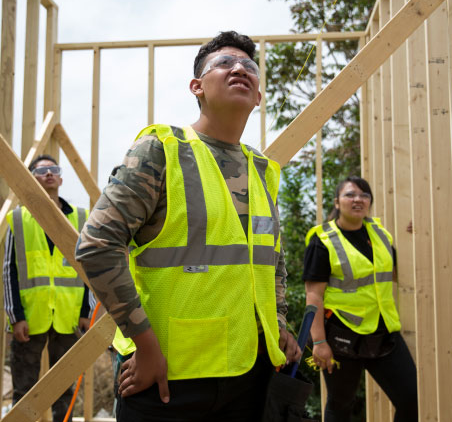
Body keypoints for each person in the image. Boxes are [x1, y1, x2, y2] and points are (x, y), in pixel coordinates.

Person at [75, 30, 301, 422]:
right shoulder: (162, 150)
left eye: (250, 65)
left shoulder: (264, 171)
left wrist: (277, 325)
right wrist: (145, 347)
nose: (240, 69)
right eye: (225, 63)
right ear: (197, 87)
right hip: (166, 380)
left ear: (259, 96)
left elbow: (271, 262)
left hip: (250, 377)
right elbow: (97, 245)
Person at [303, 176, 418, 422]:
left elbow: (397, 272)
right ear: (337, 202)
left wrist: (414, 236)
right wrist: (319, 342)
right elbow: (313, 295)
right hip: (342, 337)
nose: (358, 200)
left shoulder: (380, 235)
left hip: (384, 333)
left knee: (411, 398)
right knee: (341, 405)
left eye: (364, 195)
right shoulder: (323, 240)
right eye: (350, 195)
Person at [3, 154, 92, 422]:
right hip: (31, 317)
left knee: (64, 390)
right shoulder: (18, 219)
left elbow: (88, 269)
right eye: (42, 171)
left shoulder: (81, 217)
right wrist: (15, 316)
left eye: (54, 170)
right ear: (32, 178)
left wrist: (86, 311)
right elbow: (10, 271)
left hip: (69, 317)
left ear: (61, 178)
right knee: (24, 388)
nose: (49, 174)